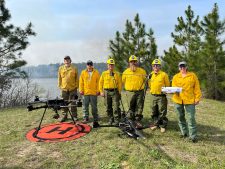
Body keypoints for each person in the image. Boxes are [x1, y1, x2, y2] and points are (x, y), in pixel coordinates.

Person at [172, 61, 202, 143]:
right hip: (178, 100)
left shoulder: (192, 76)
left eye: (184, 66)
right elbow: (174, 89)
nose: (182, 68)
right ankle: (183, 132)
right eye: (180, 67)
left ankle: (192, 136)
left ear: (186, 67)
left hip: (189, 100)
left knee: (191, 118)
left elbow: (197, 88)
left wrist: (197, 98)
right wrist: (169, 91)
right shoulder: (175, 77)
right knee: (180, 116)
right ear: (179, 68)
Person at [122, 55, 147, 125]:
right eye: (131, 61)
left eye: (135, 61)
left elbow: (144, 80)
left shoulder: (142, 71)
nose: (133, 63)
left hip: (140, 92)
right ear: (129, 63)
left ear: (137, 62)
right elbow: (124, 81)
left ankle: (137, 120)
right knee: (130, 106)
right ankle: (131, 120)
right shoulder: (125, 72)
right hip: (130, 92)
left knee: (139, 106)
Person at [149, 59, 170, 133]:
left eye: (157, 65)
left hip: (161, 96)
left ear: (160, 66)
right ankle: (155, 124)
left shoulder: (164, 75)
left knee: (162, 111)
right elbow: (150, 84)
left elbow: (167, 86)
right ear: (152, 66)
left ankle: (162, 126)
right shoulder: (151, 74)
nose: (155, 67)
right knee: (153, 111)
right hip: (153, 96)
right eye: (154, 65)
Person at [99, 59, 122, 124]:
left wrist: (119, 92)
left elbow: (119, 84)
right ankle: (111, 118)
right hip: (106, 92)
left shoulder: (117, 73)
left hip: (115, 91)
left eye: (112, 65)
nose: (111, 66)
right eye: (109, 65)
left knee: (116, 106)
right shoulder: (104, 73)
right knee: (108, 106)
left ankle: (117, 120)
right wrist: (101, 91)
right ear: (107, 66)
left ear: (114, 65)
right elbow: (100, 83)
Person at [58, 55, 79, 122]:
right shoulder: (61, 68)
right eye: (65, 59)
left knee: (73, 102)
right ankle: (64, 116)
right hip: (63, 88)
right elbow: (59, 78)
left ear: (70, 60)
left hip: (73, 88)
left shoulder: (74, 68)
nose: (67, 60)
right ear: (64, 61)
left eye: (68, 59)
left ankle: (74, 116)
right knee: (63, 103)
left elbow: (77, 78)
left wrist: (76, 86)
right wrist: (59, 86)